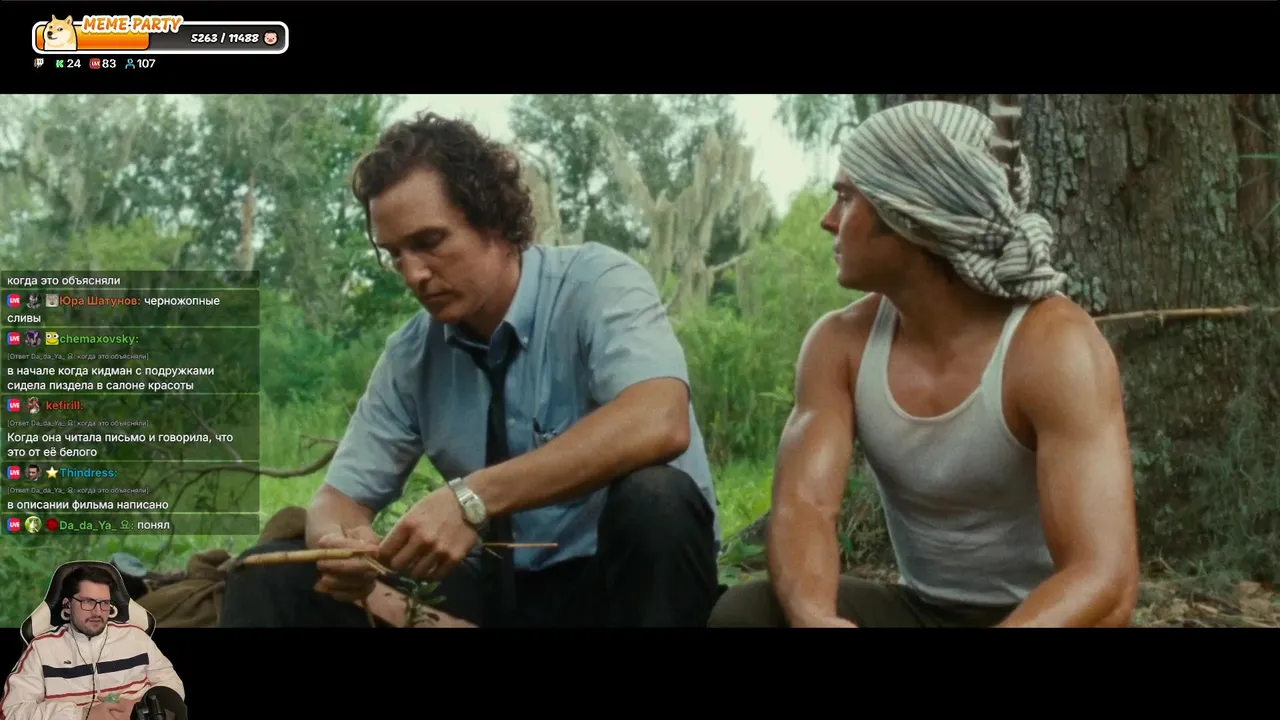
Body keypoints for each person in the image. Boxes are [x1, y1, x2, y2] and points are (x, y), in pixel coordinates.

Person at [219, 111, 721, 628]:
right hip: (499, 589)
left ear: (494, 220)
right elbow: (339, 498)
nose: (413, 274)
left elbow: (658, 419)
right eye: (395, 254)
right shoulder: (413, 355)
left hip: (617, 585)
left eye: (429, 242)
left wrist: (472, 498)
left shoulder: (598, 285)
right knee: (266, 575)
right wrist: (339, 545)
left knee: (657, 497)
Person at [708, 100, 1140, 628]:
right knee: (748, 615)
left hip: (1047, 616)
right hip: (923, 612)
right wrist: (814, 617)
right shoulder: (839, 344)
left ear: (909, 217)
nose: (828, 220)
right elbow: (804, 508)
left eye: (846, 198)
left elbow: (1104, 579)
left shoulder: (1053, 346)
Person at [1, 565, 186, 719]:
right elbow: (11, 712)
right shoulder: (41, 649)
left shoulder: (136, 637)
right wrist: (82, 714)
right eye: (88, 602)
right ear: (67, 605)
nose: (98, 612)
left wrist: (140, 706)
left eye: (104, 603)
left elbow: (172, 683)